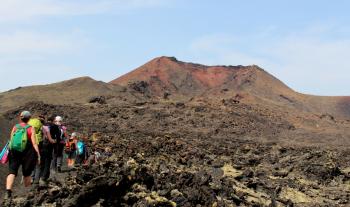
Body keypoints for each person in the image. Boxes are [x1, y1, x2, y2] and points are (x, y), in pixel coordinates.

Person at [4, 111, 40, 202]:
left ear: (21, 118)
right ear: (29, 119)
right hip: (27, 153)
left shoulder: (15, 127)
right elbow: (34, 143)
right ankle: (27, 193)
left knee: (12, 172)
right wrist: (38, 155)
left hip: (14, 152)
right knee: (27, 173)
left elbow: (11, 140)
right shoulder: (31, 128)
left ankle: (8, 192)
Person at [32, 115, 56, 186]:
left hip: (36, 147)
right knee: (46, 163)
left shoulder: (32, 128)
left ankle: (35, 179)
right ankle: (42, 179)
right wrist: (55, 141)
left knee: (38, 164)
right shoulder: (45, 128)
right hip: (45, 148)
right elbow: (50, 140)